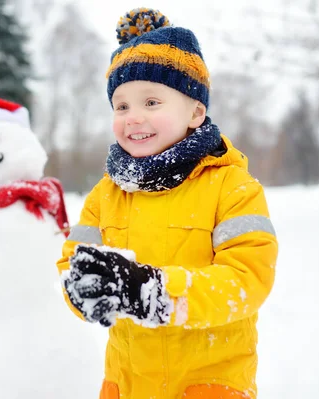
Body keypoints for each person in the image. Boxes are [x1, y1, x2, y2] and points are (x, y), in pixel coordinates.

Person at [56, 7, 278, 399]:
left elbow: (247, 280)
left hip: (206, 386)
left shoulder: (232, 186)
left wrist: (155, 293)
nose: (133, 117)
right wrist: (84, 288)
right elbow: (73, 264)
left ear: (196, 112)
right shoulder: (106, 195)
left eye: (152, 102)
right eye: (121, 106)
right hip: (126, 385)